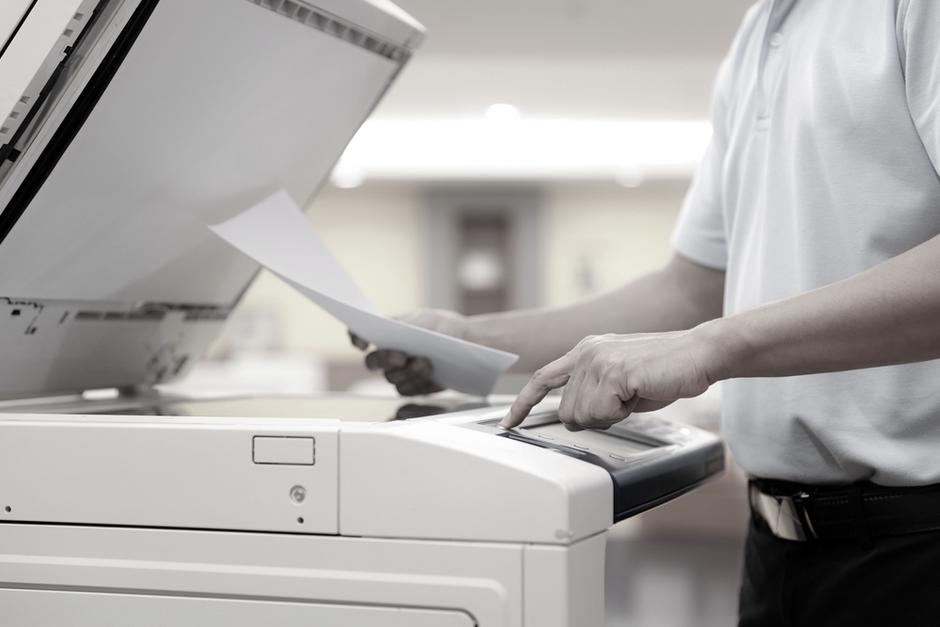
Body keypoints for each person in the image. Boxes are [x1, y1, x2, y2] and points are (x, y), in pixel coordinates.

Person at [350, 1, 940, 624]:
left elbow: (699, 327)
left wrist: (708, 346)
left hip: (918, 544)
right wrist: (468, 337)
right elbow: (688, 290)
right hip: (780, 549)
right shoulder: (759, 31)